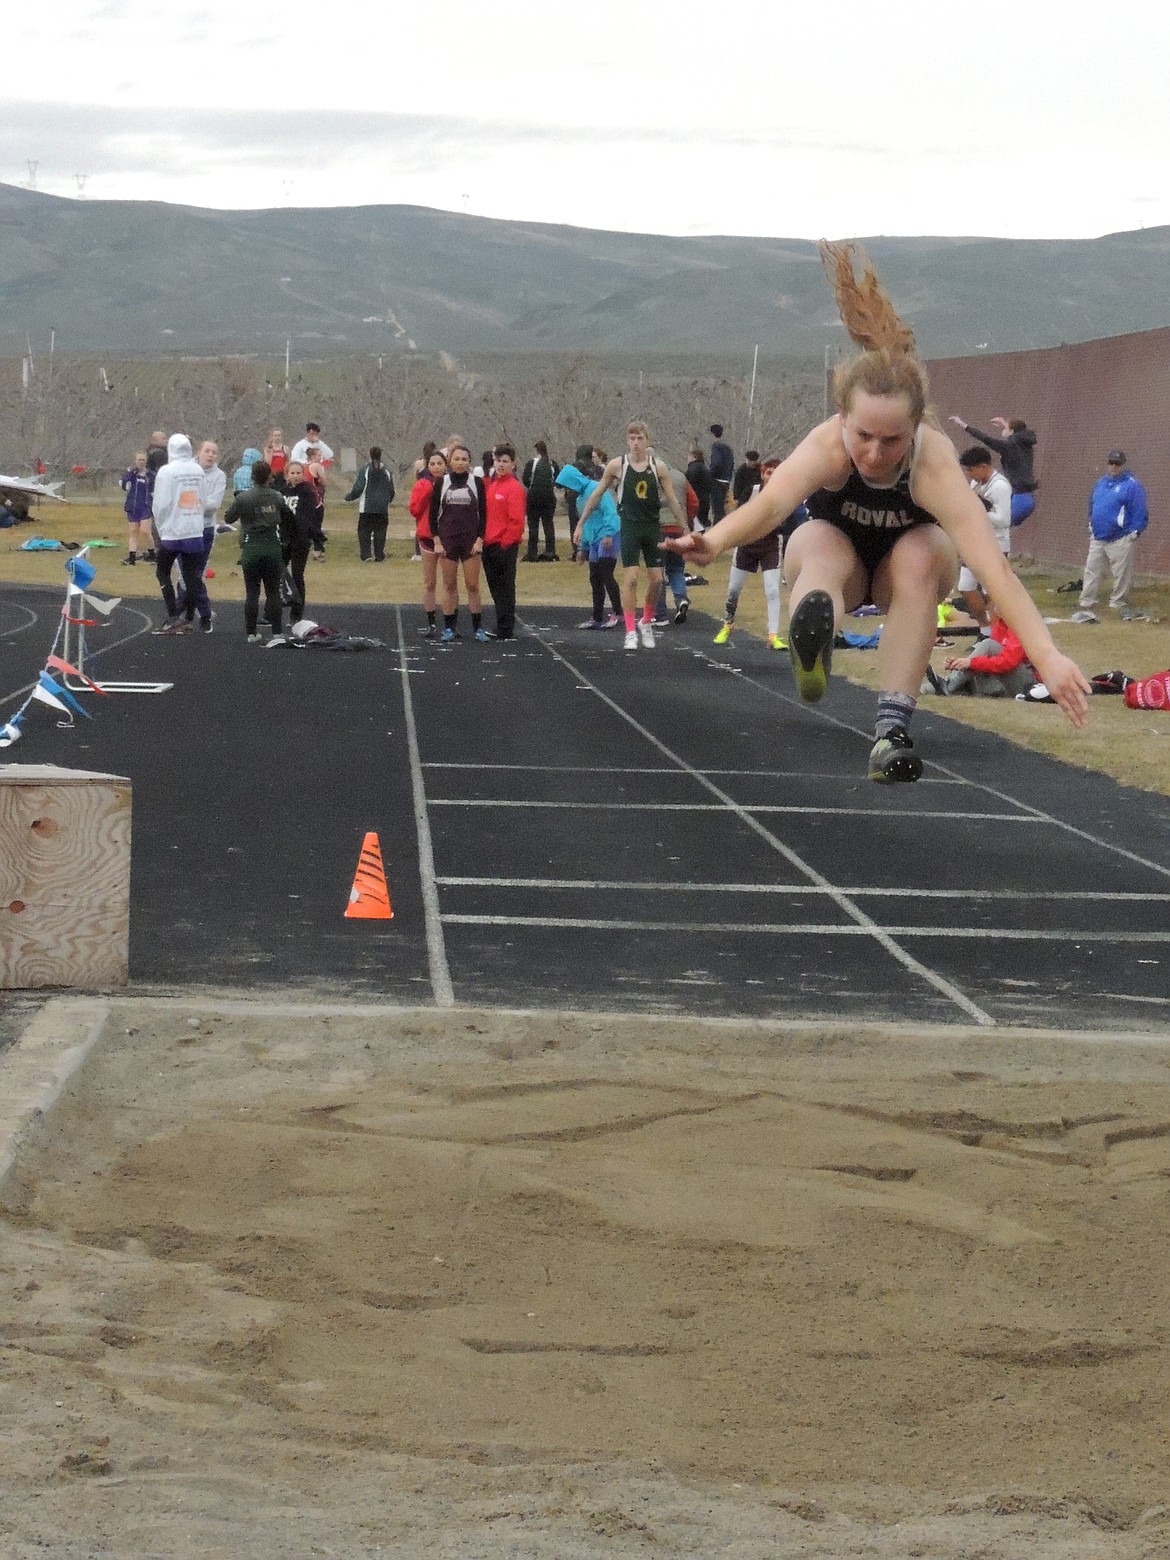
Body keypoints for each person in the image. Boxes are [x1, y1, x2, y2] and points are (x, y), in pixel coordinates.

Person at [665, 241, 1089, 780]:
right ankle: (813, 634)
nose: (874, 453)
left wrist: (1047, 656)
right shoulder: (827, 447)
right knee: (814, 539)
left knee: (922, 551)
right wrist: (714, 541)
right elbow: (773, 502)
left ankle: (891, 731)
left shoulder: (932, 462)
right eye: (863, 435)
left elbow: (992, 567)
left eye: (892, 441)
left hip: (903, 576)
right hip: (835, 563)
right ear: (842, 418)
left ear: (916, 430)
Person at [576, 421, 684, 651]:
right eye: (632, 439)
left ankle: (646, 621)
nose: (636, 443)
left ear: (647, 441)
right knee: (632, 578)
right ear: (627, 441)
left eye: (640, 439)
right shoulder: (618, 465)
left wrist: (685, 529)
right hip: (630, 528)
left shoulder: (658, 467)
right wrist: (581, 522)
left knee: (656, 580)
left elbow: (673, 499)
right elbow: (596, 494)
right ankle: (630, 630)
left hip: (652, 527)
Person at [713, 456, 788, 651]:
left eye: (776, 472)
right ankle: (728, 624)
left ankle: (773, 635)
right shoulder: (751, 491)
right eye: (769, 472)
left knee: (772, 590)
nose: (772, 476)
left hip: (770, 546)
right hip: (746, 545)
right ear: (763, 475)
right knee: (733, 589)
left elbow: (788, 524)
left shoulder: (786, 496)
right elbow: (739, 517)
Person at [221, 459, 296, 642]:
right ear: (269, 476)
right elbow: (289, 518)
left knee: (252, 592)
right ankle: (277, 631)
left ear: (252, 477)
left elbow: (228, 518)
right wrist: (286, 539)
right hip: (271, 546)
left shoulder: (244, 498)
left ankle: (251, 632)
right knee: (272, 592)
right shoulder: (277, 497)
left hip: (251, 547)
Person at [1075, 450, 1150, 622]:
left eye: (1117, 464)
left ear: (1123, 465)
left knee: (1121, 572)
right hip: (1098, 536)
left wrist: (1135, 531)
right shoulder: (1100, 483)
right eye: (1111, 463)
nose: (1114, 466)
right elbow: (1092, 505)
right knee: (1092, 569)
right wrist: (1091, 523)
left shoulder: (1132, 485)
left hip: (1120, 536)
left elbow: (1139, 509)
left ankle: (1118, 601)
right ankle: (1087, 600)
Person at [150, 434, 208, 635]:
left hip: (173, 530)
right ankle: (189, 617)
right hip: (193, 527)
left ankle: (174, 615)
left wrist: (160, 526)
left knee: (162, 571)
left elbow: (161, 503)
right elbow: (203, 497)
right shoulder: (198, 470)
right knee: (192, 576)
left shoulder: (166, 472)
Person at [429, 443, 488, 642]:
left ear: (469, 462)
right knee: (449, 585)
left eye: (464, 459)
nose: (460, 463)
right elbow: (432, 515)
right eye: (457, 459)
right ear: (449, 461)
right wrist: (437, 541)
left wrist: (480, 539)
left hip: (470, 541)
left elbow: (484, 513)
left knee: (472, 585)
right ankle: (449, 628)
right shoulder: (441, 482)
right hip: (448, 541)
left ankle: (478, 628)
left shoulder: (477, 482)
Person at [955, 445, 1013, 628]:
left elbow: (1003, 520)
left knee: (992, 592)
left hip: (995, 544)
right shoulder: (976, 484)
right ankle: (984, 629)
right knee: (965, 586)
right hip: (975, 542)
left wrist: (977, 510)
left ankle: (996, 634)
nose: (969, 474)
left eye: (971, 470)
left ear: (983, 466)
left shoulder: (1000, 486)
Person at [564, 450, 622, 629]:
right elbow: (586, 524)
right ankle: (597, 617)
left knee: (606, 573)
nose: (568, 491)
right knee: (594, 577)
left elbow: (610, 513)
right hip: (594, 538)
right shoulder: (580, 499)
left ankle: (618, 612)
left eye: (568, 486)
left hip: (609, 535)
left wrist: (608, 534)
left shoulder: (597, 489)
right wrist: (583, 547)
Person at [947, 412, 1038, 525]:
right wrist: (1004, 423)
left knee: (992, 526)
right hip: (1027, 498)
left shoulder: (1008, 447)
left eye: (1005, 429)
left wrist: (963, 425)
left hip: (1018, 499)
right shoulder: (1025, 445)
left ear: (1011, 432)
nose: (1002, 431)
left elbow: (985, 438)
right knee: (995, 528)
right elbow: (1017, 433)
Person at [939, 603, 1035, 697]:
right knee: (980, 661)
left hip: (1027, 684)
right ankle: (947, 684)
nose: (994, 607)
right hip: (1003, 680)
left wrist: (971, 663)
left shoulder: (1020, 627)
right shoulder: (1000, 625)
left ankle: (949, 684)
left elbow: (1008, 662)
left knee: (988, 645)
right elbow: (989, 660)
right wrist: (959, 664)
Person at [482, 442, 527, 640]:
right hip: (488, 543)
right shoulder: (492, 485)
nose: (501, 465)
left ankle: (506, 627)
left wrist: (505, 544)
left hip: (504, 546)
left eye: (505, 461)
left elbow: (516, 521)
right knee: (495, 588)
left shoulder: (514, 488)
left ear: (513, 464)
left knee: (505, 587)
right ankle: (501, 623)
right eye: (498, 461)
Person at [275, 460, 326, 626]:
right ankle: (272, 612)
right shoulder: (281, 491)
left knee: (297, 575)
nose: (295, 476)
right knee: (277, 574)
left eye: (298, 473)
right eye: (292, 473)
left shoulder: (307, 491)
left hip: (300, 539)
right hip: (283, 538)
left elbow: (306, 516)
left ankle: (296, 615)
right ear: (286, 474)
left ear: (303, 475)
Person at [409, 450, 447, 637]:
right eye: (432, 464)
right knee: (430, 582)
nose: (436, 467)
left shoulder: (452, 484)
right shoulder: (423, 484)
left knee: (450, 583)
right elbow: (414, 510)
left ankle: (450, 621)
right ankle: (431, 622)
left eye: (440, 463)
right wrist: (427, 493)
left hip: (448, 536)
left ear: (445, 465)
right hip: (427, 536)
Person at [345, 446, 396, 562]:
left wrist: (350, 497)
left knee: (364, 531)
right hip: (382, 508)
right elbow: (391, 489)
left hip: (367, 507)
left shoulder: (366, 469)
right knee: (380, 531)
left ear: (370, 455)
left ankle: (366, 554)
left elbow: (359, 487)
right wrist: (388, 500)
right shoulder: (386, 470)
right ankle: (379, 555)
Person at [522, 440, 561, 561]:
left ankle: (532, 553)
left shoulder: (532, 463)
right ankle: (550, 551)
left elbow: (525, 479)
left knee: (533, 525)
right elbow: (558, 478)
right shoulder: (552, 463)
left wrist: (532, 487)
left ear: (536, 450)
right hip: (549, 496)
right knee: (548, 524)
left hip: (534, 496)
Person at [119, 452, 152, 566]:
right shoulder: (131, 473)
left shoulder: (150, 475)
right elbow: (123, 485)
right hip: (132, 506)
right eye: (139, 460)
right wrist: (130, 473)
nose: (141, 462)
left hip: (145, 506)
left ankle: (152, 555)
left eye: (143, 460)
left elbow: (154, 489)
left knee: (145, 531)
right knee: (133, 532)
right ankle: (131, 558)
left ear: (146, 461)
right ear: (135, 460)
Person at [708, 423, 734, 522]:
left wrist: (710, 475)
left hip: (717, 482)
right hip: (726, 481)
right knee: (724, 511)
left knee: (717, 511)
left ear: (712, 434)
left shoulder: (716, 447)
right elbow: (731, 464)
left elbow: (716, 463)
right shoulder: (728, 448)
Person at [687, 445, 712, 529]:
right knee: (701, 526)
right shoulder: (705, 469)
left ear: (694, 457)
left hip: (695, 501)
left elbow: (689, 486)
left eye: (689, 456)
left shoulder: (692, 469)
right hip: (705, 500)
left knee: (694, 527)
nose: (688, 458)